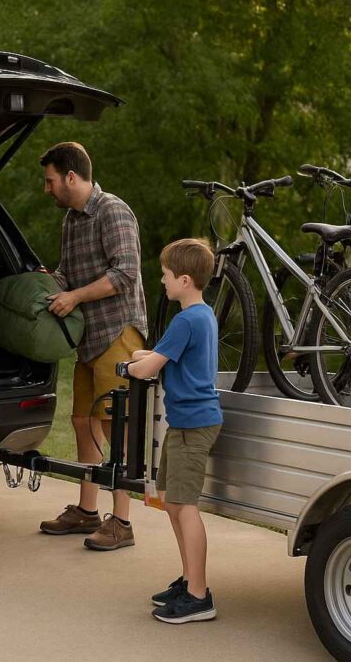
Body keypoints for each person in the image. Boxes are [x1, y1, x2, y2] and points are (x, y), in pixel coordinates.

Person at [38, 142, 148, 551]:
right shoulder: (71, 220)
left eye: (50, 180)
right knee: (82, 421)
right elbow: (69, 272)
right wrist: (48, 283)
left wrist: (76, 297)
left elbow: (126, 272)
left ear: (70, 176)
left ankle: (121, 520)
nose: (46, 189)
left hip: (118, 332)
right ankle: (87, 511)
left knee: (113, 425)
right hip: (87, 337)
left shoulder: (112, 211)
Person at [123, 238, 222, 624]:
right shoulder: (201, 315)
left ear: (184, 279)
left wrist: (133, 366)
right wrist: (142, 359)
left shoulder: (185, 320)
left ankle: (199, 595)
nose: (161, 281)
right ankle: (188, 578)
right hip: (185, 422)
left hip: (193, 425)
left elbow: (146, 367)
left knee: (184, 506)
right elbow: (156, 356)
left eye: (165, 276)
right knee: (170, 498)